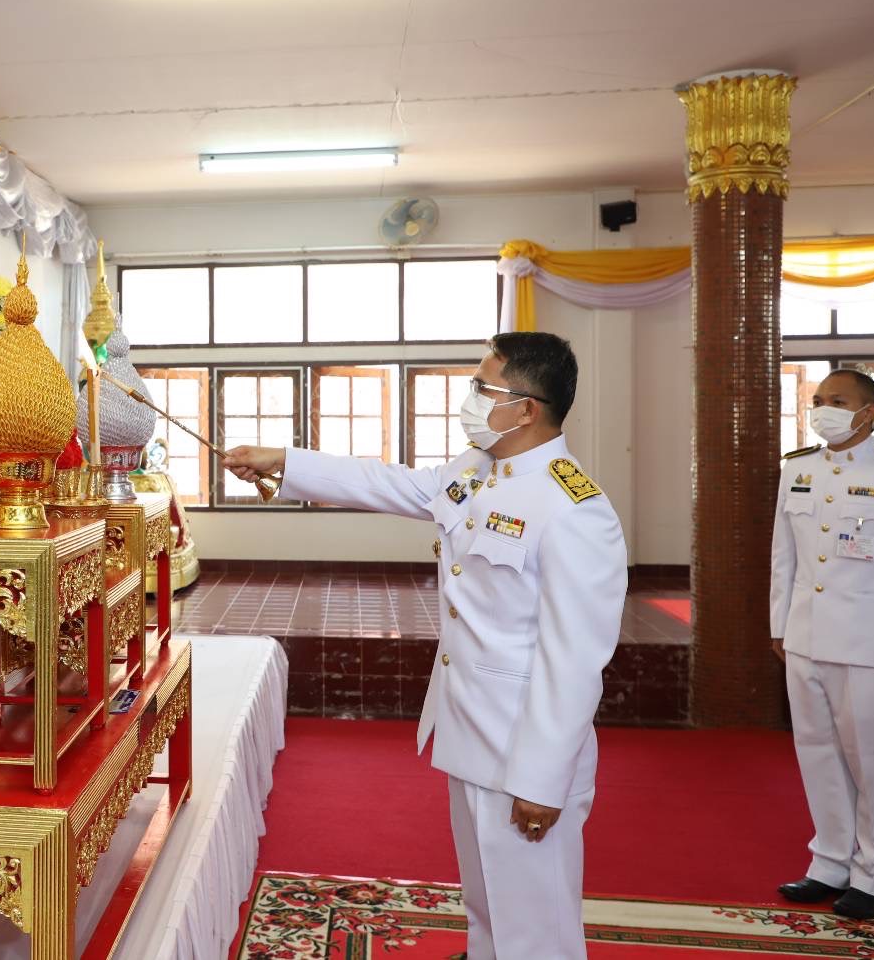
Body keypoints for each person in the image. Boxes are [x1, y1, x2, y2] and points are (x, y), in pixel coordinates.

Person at [227, 331, 627, 960]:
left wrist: (543, 780)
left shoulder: (573, 506)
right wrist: (283, 458)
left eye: (480, 387)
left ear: (525, 407)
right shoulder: (475, 471)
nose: (467, 399)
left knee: (536, 924)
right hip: (470, 731)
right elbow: (385, 483)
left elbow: (575, 657)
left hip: (525, 748)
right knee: (487, 901)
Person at [771, 368, 874, 920]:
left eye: (838, 401)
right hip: (805, 636)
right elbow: (784, 554)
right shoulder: (797, 470)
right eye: (819, 399)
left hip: (869, 644)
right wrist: (780, 624)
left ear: (868, 412)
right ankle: (830, 860)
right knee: (816, 751)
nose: (823, 408)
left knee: (873, 759)